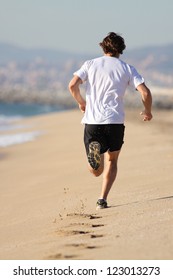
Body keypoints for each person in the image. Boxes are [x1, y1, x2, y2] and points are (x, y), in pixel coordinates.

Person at [68, 32, 152, 210]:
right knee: (112, 161)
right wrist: (147, 111)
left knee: (96, 171)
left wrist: (81, 102)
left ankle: (94, 156)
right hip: (115, 121)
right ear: (121, 49)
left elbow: (72, 85)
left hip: (93, 120)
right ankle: (102, 200)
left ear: (103, 47)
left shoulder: (90, 64)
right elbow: (145, 93)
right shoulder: (127, 68)